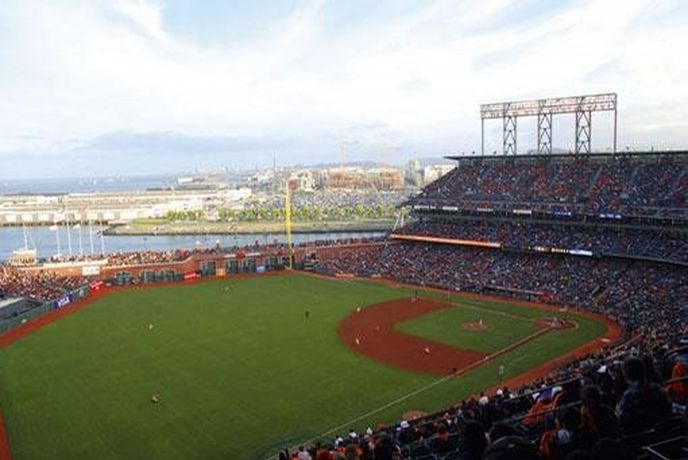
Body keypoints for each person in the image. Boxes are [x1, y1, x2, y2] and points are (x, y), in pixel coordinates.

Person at [616, 357, 671, 433]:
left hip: (642, 439)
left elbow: (622, 421)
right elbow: (668, 410)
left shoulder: (628, 397)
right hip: (665, 433)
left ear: (625, 375)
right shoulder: (657, 388)